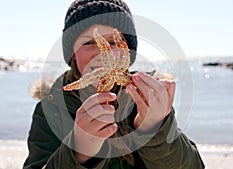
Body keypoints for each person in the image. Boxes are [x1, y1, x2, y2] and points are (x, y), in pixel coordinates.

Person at [23, 0, 205, 168]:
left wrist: (154, 129)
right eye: (89, 42)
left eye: (113, 41)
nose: (103, 52)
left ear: (128, 52)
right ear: (72, 54)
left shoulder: (146, 99)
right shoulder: (51, 109)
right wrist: (79, 150)